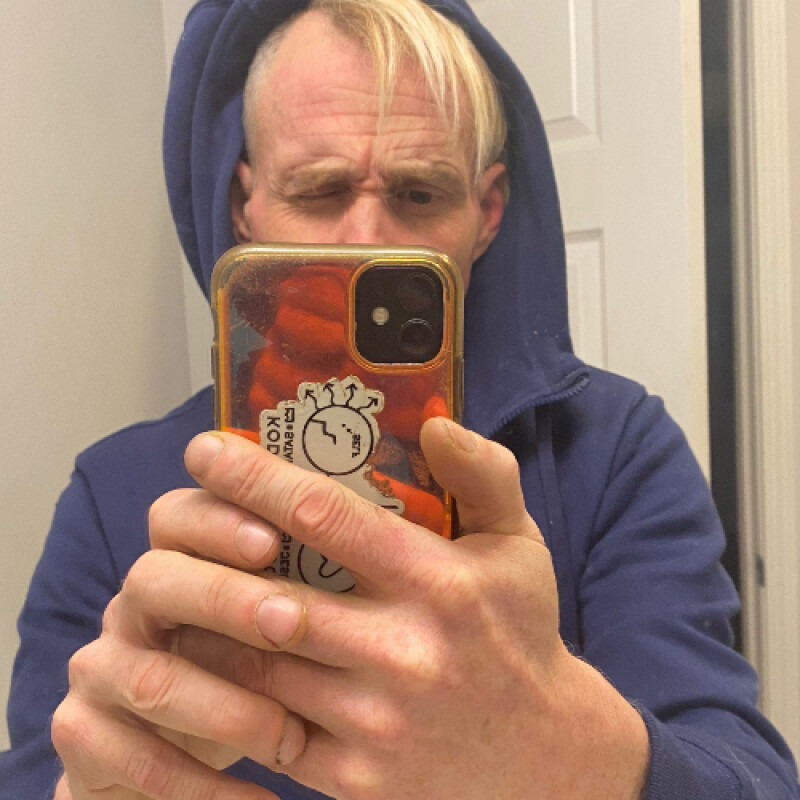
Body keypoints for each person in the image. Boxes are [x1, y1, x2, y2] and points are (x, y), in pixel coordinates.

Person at [1, 0, 798, 797]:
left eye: (420, 193)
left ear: (487, 213)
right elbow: (38, 763)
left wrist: (572, 750)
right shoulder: (112, 495)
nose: (368, 238)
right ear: (244, 204)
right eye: (319, 191)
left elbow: (752, 775)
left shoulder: (615, 448)